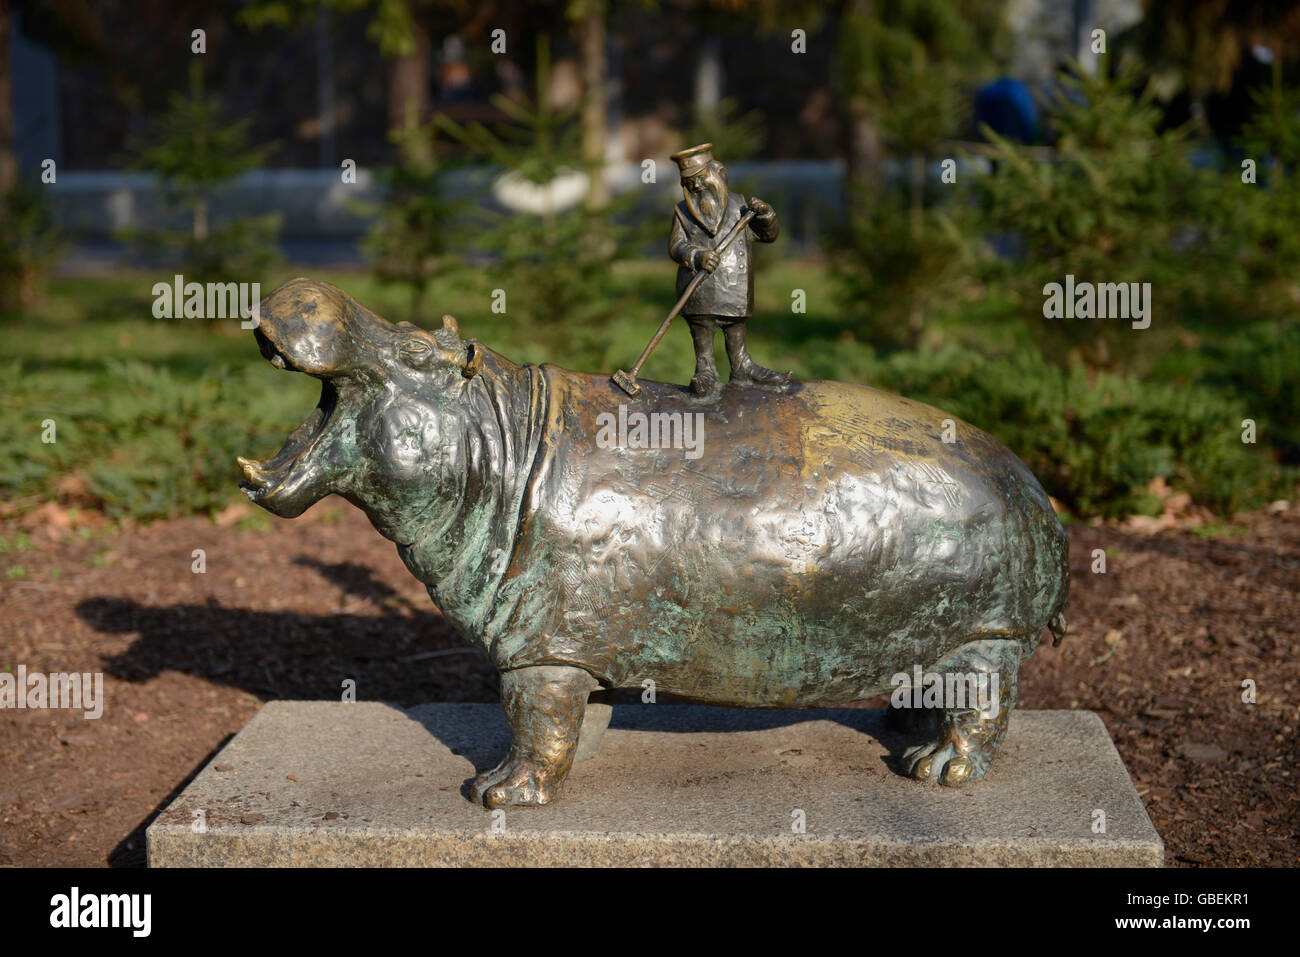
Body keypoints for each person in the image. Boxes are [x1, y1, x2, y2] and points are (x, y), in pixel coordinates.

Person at [667, 143, 786, 395]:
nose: (696, 187)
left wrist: (766, 215)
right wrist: (696, 256)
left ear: (717, 173)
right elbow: (676, 246)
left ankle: (741, 366)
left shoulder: (741, 207)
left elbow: (768, 235)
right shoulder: (682, 212)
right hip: (698, 288)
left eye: (700, 179)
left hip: (733, 289)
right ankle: (705, 370)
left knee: (735, 329)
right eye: (689, 183)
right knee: (702, 331)